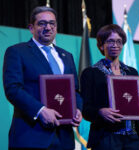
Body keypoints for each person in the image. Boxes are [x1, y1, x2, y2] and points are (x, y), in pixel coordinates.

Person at [3, 6, 82, 150]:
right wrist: (40, 110)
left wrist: (78, 109)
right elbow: (12, 89)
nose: (48, 27)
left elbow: (75, 90)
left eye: (52, 23)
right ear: (31, 28)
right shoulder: (17, 52)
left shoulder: (67, 56)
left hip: (64, 138)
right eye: (42, 23)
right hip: (31, 135)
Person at [80, 24, 139, 150]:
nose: (115, 45)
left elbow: (136, 107)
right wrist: (100, 112)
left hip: (133, 138)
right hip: (106, 137)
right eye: (110, 41)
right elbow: (85, 108)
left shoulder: (131, 72)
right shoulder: (91, 73)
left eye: (119, 41)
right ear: (101, 45)